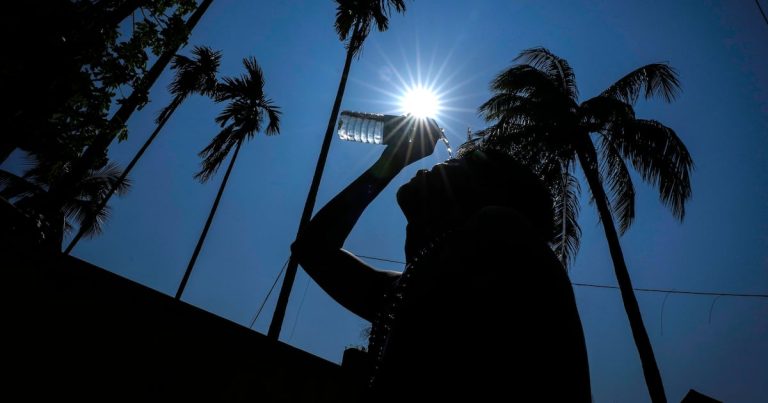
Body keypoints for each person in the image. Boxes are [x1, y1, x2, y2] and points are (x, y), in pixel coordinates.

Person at [292, 117, 592, 401]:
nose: (438, 164)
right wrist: (390, 162)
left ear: (484, 192)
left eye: (456, 163)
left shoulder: (505, 234)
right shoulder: (406, 289)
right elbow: (312, 248)